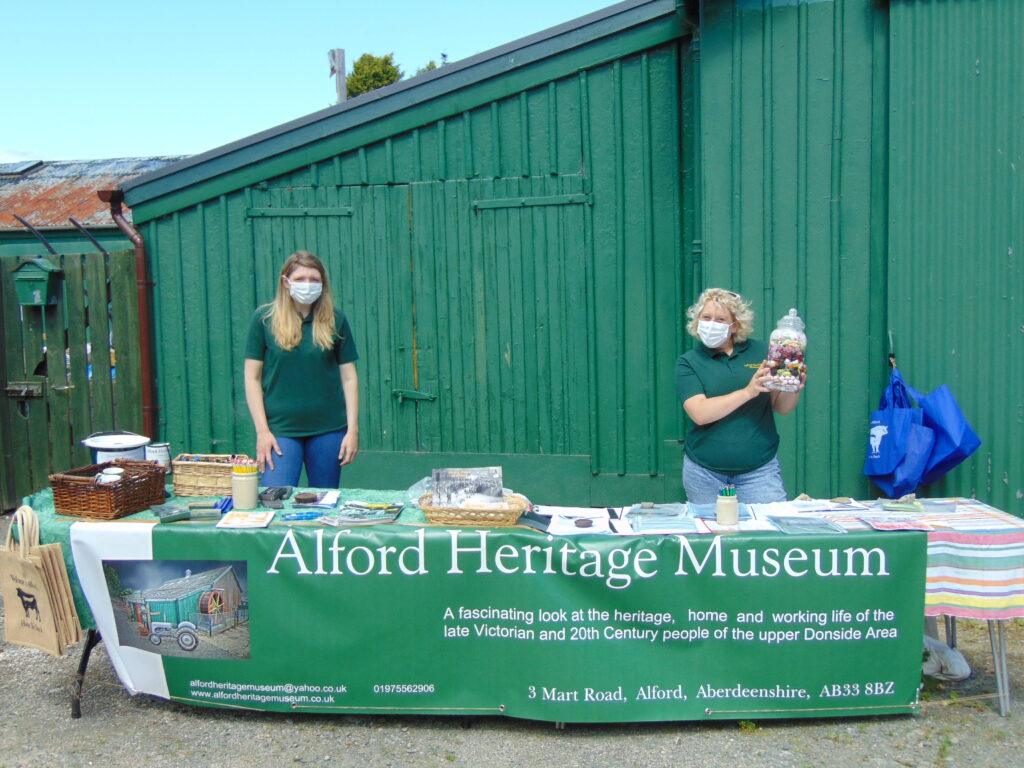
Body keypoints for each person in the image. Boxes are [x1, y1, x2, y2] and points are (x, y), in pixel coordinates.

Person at [675, 288, 806, 504]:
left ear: (734, 325)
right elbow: (700, 413)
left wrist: (793, 386)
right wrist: (748, 392)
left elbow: (781, 407)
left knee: (767, 532)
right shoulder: (689, 362)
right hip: (704, 472)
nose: (711, 324)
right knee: (710, 533)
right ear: (697, 321)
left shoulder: (764, 352)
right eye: (706, 318)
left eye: (721, 319)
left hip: (759, 471)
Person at [244, 251, 359, 488]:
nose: (307, 285)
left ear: (323, 283)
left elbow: (349, 378)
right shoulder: (264, 319)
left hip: (329, 429)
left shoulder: (335, 320)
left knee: (324, 500)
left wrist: (352, 430)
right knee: (275, 496)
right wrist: (262, 431)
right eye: (300, 279)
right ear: (285, 282)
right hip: (280, 431)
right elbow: (252, 378)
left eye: (314, 279)